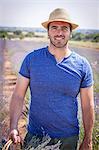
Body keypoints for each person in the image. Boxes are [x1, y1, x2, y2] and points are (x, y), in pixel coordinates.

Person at [9, 8, 95, 150]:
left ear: (70, 33)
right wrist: (13, 127)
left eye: (64, 28)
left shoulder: (82, 65)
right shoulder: (31, 59)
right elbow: (18, 95)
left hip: (68, 139)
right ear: (48, 31)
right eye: (54, 27)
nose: (59, 33)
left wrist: (88, 139)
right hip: (35, 136)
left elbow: (88, 105)